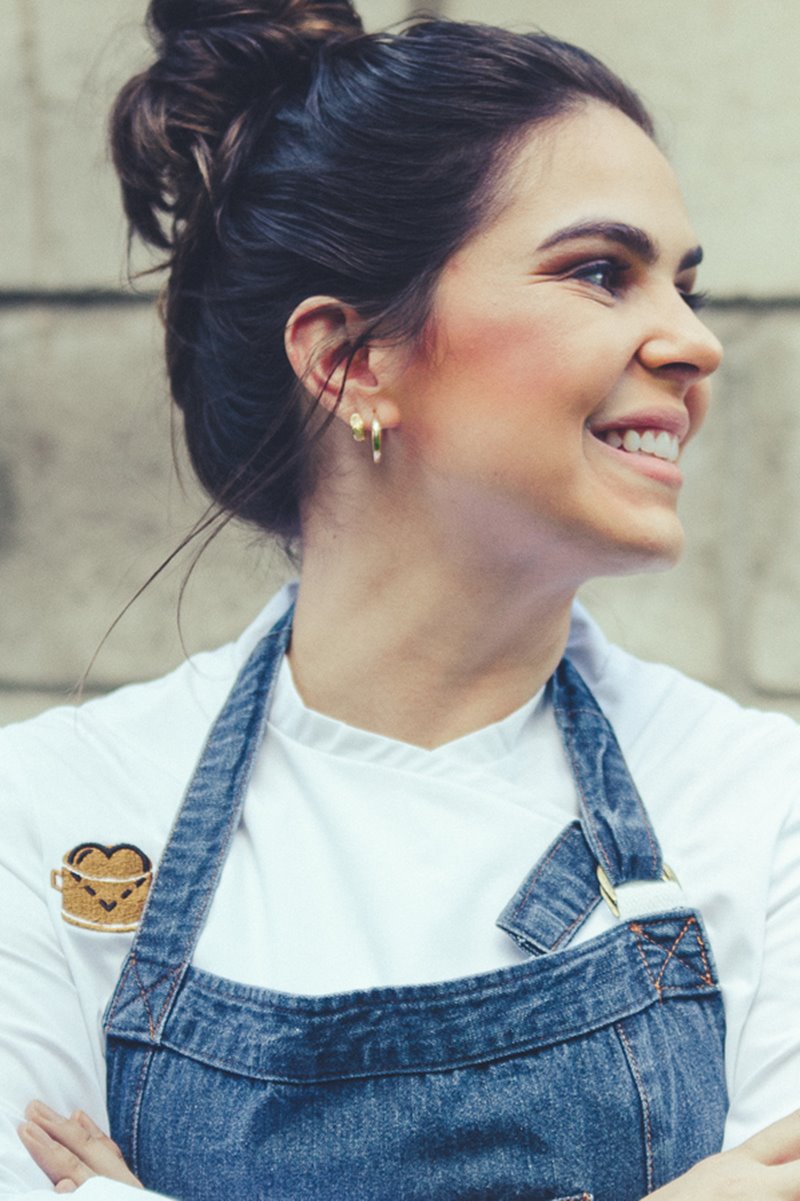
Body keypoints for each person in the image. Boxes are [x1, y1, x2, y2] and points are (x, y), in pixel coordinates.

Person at [2, 1, 799, 1198]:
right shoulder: (50, 811)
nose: (693, 344)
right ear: (346, 358)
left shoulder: (760, 807)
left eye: (681, 285)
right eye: (599, 272)